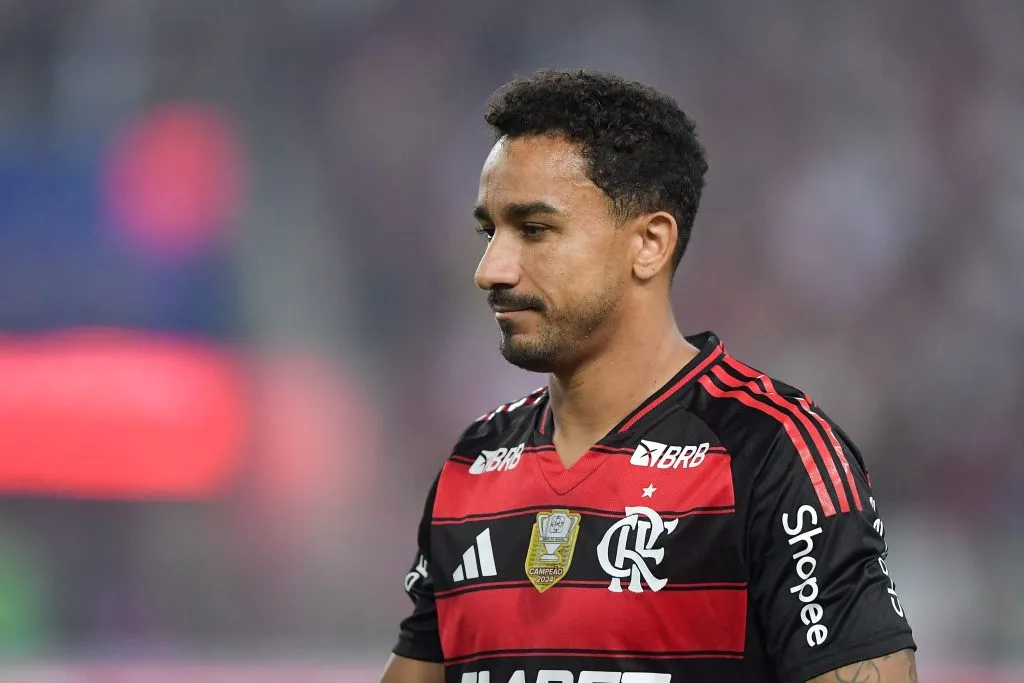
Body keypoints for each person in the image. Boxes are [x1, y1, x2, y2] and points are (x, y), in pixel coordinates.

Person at [379, 69, 917, 683]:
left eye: (533, 230)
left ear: (650, 244)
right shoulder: (471, 466)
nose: (491, 269)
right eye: (489, 231)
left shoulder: (772, 455)